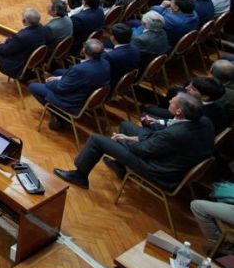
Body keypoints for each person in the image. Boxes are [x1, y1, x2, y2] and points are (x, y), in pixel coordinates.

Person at [54, 92, 214, 190]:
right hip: (167, 156)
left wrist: (124, 141)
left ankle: (79, 176)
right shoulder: (205, 121)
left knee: (97, 140)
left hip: (157, 169)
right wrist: (131, 137)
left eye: (173, 101)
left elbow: (143, 150)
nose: (170, 100)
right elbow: (160, 141)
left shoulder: (174, 134)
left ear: (179, 111)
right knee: (125, 125)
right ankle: (120, 166)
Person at [29, 40, 110, 128]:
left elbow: (61, 88)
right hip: (85, 94)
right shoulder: (105, 63)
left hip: (71, 101)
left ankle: (57, 113)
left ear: (84, 50)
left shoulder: (79, 69)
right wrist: (60, 78)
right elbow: (78, 78)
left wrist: (50, 82)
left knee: (33, 86)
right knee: (57, 72)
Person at [0, 7, 47, 82]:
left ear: (24, 21)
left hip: (16, 65)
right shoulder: (41, 28)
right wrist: (8, 41)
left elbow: (5, 51)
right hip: (28, 60)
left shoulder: (21, 37)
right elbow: (17, 42)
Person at [104, 23, 141, 88]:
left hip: (111, 85)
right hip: (125, 82)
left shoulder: (110, 56)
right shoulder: (136, 49)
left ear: (112, 38)